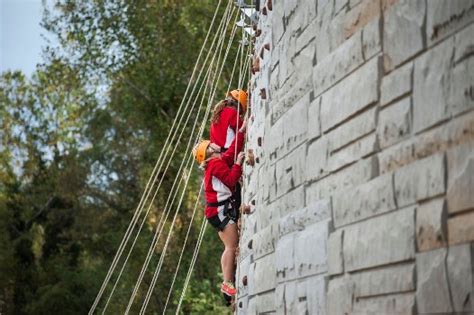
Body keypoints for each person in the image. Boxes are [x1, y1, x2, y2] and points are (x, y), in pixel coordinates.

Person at [192, 120, 246, 298]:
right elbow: (231, 180)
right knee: (232, 246)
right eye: (210, 144)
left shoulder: (215, 163)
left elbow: (229, 153)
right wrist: (238, 163)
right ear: (209, 151)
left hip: (216, 211)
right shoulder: (215, 164)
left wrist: (242, 131)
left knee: (228, 246)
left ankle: (226, 282)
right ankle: (227, 284)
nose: (214, 142)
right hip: (219, 210)